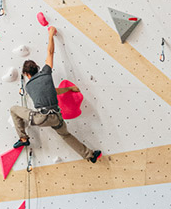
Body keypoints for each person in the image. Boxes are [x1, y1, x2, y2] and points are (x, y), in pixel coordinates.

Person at [9, 26, 102, 163]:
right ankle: (90, 155)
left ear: (27, 74)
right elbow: (50, 53)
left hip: (41, 118)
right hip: (57, 118)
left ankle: (23, 138)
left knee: (13, 109)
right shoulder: (46, 73)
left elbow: (47, 92)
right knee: (66, 136)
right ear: (37, 68)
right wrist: (51, 35)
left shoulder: (28, 86)